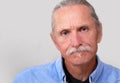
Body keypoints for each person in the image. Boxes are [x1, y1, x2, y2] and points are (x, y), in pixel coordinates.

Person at [13, 0, 120, 83]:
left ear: (99, 32)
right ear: (55, 41)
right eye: (65, 33)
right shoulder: (28, 80)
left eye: (83, 29)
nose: (76, 43)